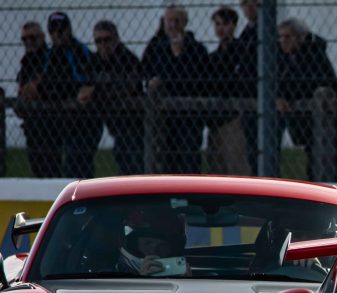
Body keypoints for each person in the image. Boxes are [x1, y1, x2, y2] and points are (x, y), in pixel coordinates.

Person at [277, 18, 337, 181]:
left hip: (329, 122)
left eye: (287, 37)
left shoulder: (313, 55)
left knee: (333, 164)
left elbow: (306, 83)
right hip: (308, 124)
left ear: (300, 37)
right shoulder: (287, 58)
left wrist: (286, 96)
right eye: (280, 37)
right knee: (314, 165)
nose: (283, 41)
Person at [142, 5, 209, 174]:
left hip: (189, 116)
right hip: (163, 118)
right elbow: (145, 72)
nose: (172, 25)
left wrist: (179, 56)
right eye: (169, 21)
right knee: (165, 160)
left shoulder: (197, 49)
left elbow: (194, 80)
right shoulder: (156, 47)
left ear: (185, 23)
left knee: (189, 160)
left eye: (177, 20)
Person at [37, 12, 102, 179]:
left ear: (69, 30)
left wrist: (57, 91)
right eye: (53, 30)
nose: (57, 34)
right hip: (60, 119)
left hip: (83, 121)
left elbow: (82, 82)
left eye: (61, 30)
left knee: (77, 164)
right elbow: (44, 84)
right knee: (51, 164)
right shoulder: (49, 55)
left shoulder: (79, 51)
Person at [80, 20, 144, 175]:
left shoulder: (128, 60)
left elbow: (128, 87)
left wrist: (96, 92)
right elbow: (84, 86)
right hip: (109, 120)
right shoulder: (94, 62)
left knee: (132, 164)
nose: (102, 45)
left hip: (132, 123)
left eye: (107, 39)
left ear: (116, 39)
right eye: (98, 41)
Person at [207, 7, 252, 175]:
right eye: (217, 24)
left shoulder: (242, 52)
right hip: (215, 117)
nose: (220, 29)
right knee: (216, 164)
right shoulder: (213, 57)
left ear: (233, 25)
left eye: (224, 24)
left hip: (234, 116)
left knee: (235, 164)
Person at [15, 22, 55, 177]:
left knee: (51, 166)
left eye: (32, 37)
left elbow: (50, 88)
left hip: (50, 124)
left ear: (42, 37)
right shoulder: (26, 62)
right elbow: (22, 91)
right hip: (31, 123)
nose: (29, 42)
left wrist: (37, 89)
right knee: (36, 166)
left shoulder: (51, 58)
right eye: (25, 39)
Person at [117, 212, 189, 277]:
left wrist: (187, 282)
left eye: (162, 246)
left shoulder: (178, 275)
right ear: (133, 246)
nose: (154, 250)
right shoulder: (113, 278)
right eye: (148, 243)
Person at [238, 0, 260, 174]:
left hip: (260, 96)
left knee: (263, 146)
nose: (249, 7)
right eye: (245, 3)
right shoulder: (246, 34)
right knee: (252, 149)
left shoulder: (267, 31)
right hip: (248, 98)